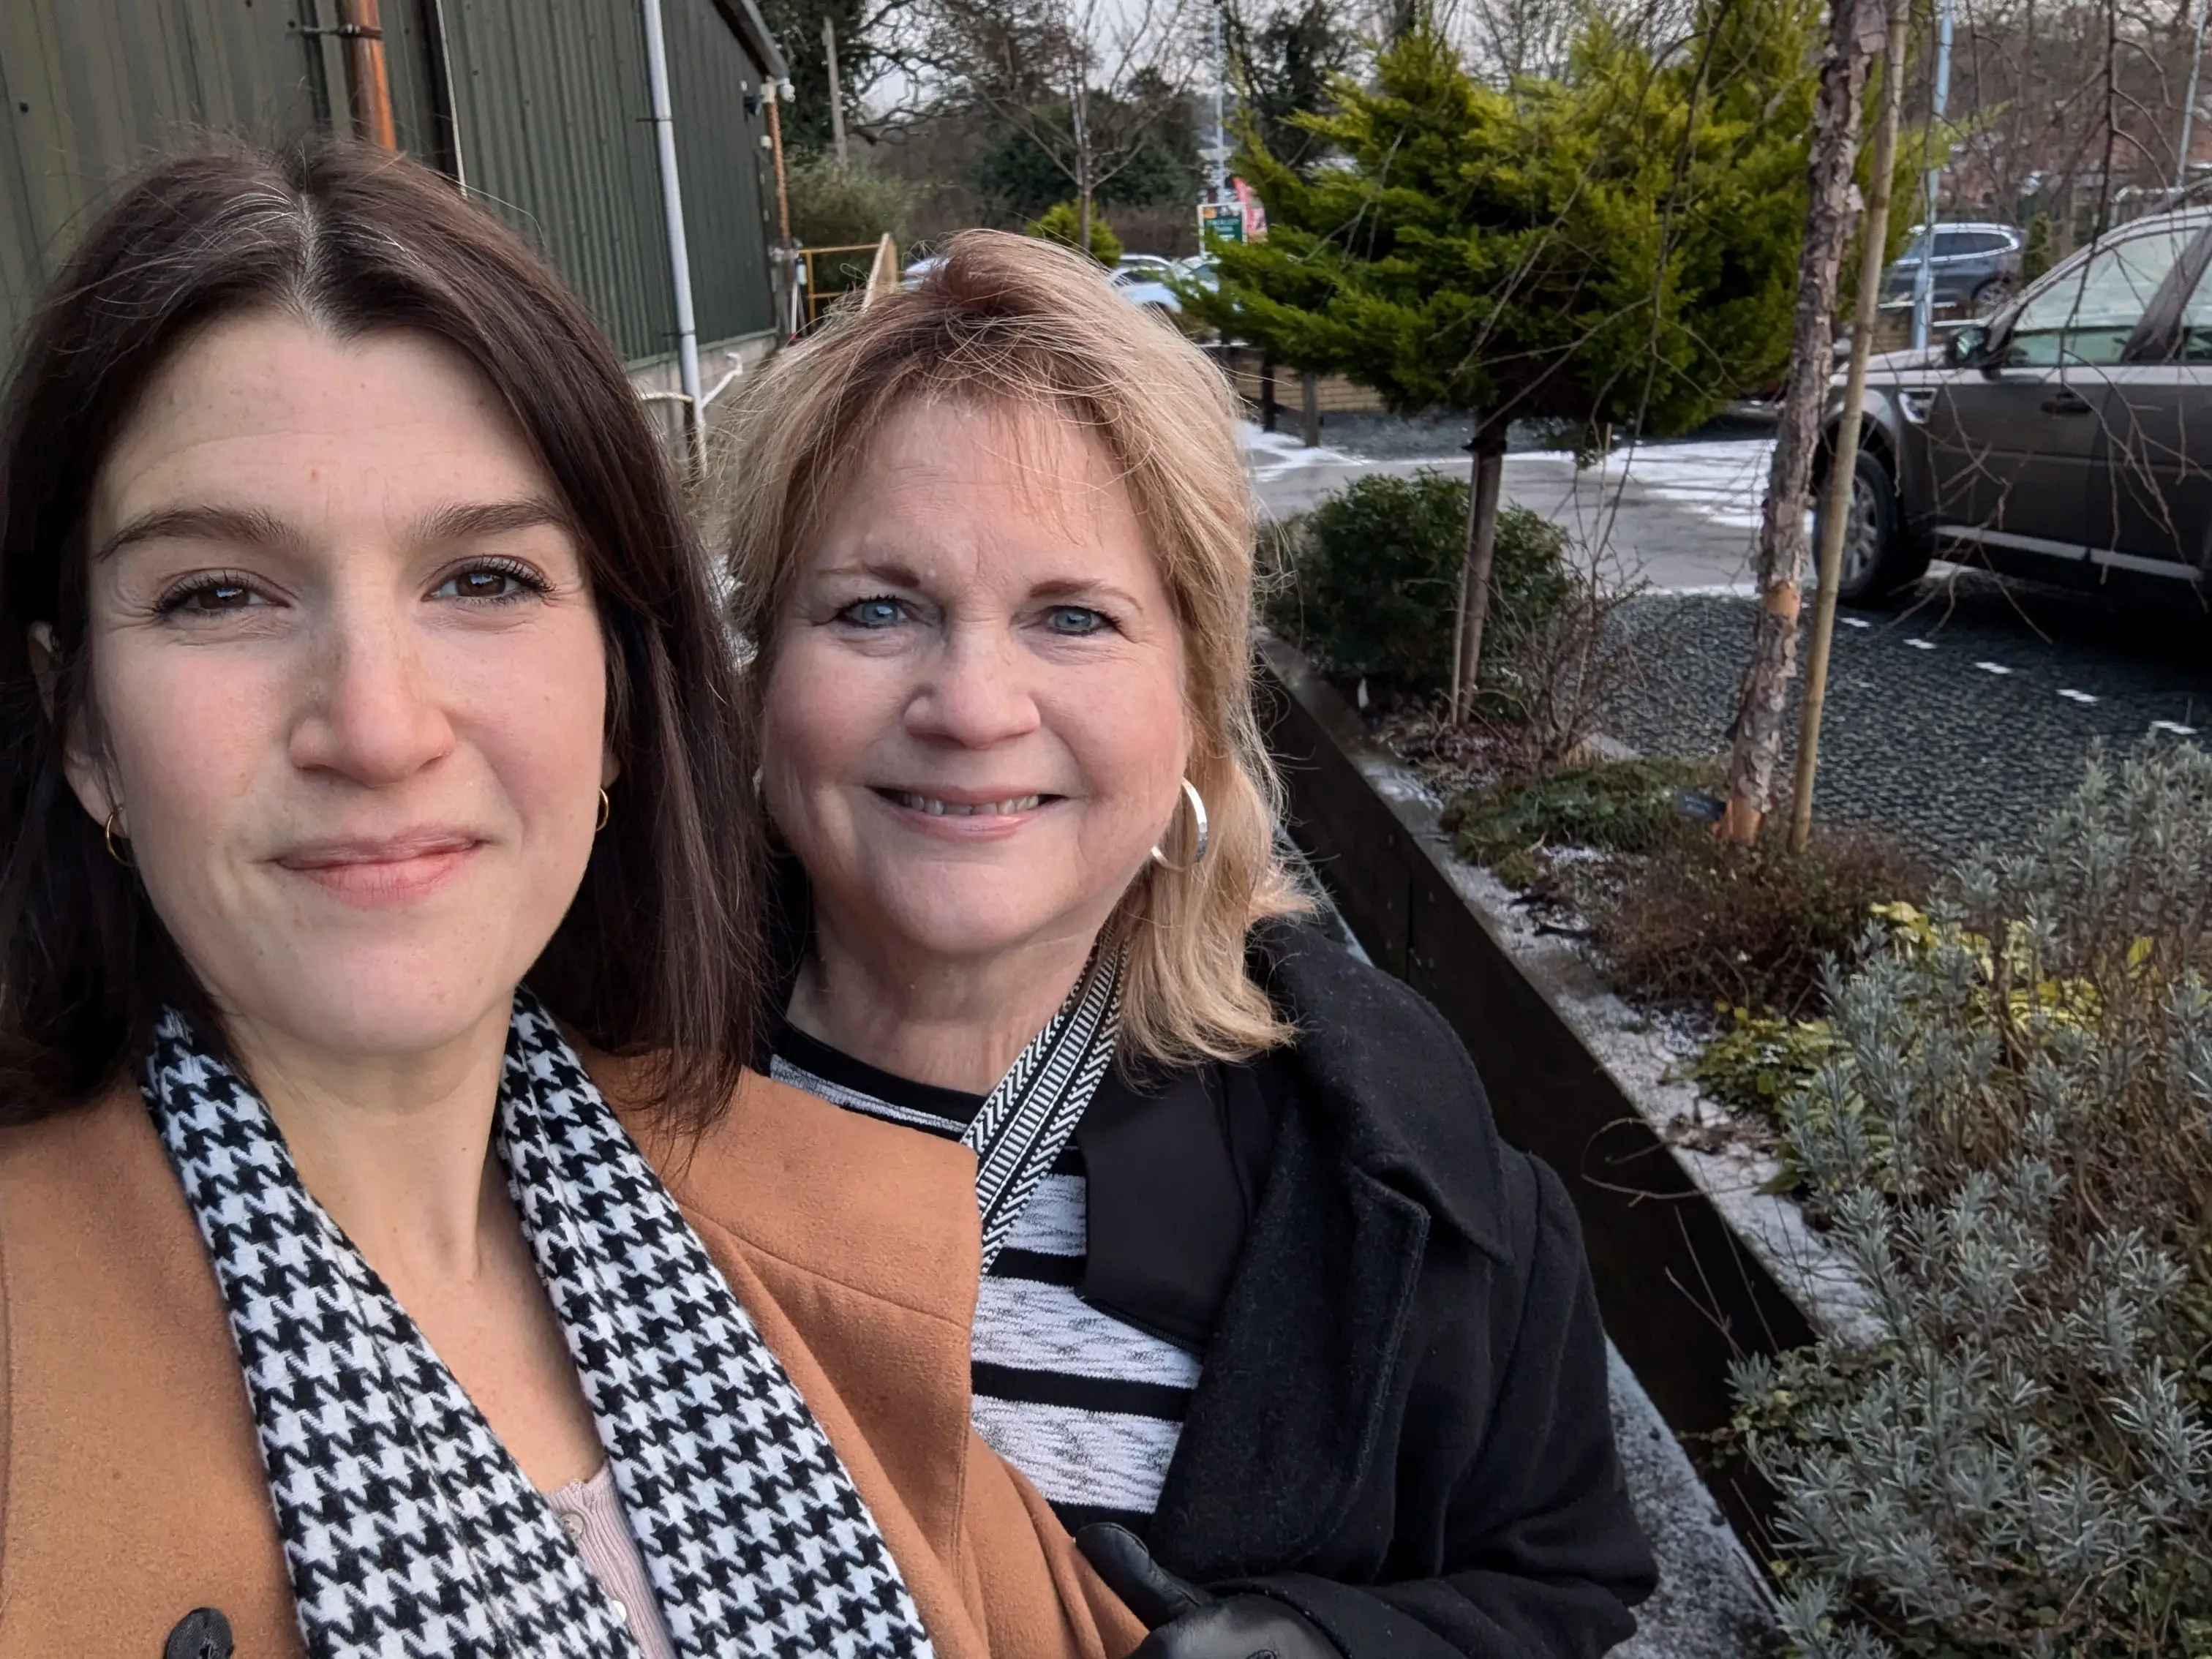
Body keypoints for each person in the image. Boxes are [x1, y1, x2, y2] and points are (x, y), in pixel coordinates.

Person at [0, 144, 1143, 1659]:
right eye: (219, 591)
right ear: (82, 727)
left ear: (618, 698)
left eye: (482, 580)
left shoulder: (812, 1257)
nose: (379, 723)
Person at [722, 231, 1660, 1659]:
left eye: (1074, 617)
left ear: (1194, 705)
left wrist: (1326, 1647)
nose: (973, 704)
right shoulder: (548, 1100)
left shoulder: (1405, 1191)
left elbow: (1560, 1584)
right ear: (763, 678)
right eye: (876, 608)